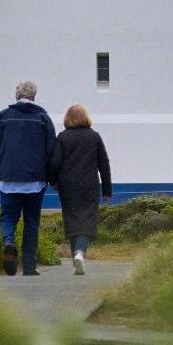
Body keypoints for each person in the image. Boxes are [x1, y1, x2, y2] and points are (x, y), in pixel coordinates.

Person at [0, 79, 58, 276]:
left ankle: (8, 242)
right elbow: (52, 149)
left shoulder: (3, 116)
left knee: (8, 217)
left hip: (8, 177)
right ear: (34, 95)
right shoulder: (43, 118)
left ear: (17, 95)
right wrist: (52, 176)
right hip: (35, 179)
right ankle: (29, 267)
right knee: (32, 221)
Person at [52, 104, 113, 274]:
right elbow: (104, 164)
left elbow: (55, 162)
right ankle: (80, 253)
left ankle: (75, 261)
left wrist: (52, 181)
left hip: (67, 186)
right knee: (87, 220)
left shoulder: (62, 138)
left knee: (71, 219)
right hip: (89, 185)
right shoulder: (94, 137)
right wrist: (107, 190)